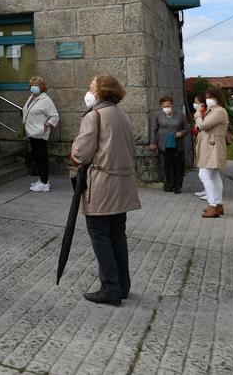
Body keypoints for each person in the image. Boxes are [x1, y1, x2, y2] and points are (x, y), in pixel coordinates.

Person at [70, 75, 141, 305]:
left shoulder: (95, 116)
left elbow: (81, 153)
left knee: (100, 235)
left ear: (101, 91)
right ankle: (122, 285)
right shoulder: (122, 115)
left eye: (91, 87)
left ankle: (110, 287)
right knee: (117, 234)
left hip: (102, 183)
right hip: (122, 182)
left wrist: (73, 155)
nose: (88, 91)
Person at [22, 76, 60, 193]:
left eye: (36, 85)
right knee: (37, 157)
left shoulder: (46, 100)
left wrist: (46, 125)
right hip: (31, 132)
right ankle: (42, 179)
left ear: (42, 87)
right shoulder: (32, 97)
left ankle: (44, 183)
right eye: (32, 85)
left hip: (40, 133)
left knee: (42, 158)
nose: (33, 87)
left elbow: (55, 116)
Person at [195, 87, 228, 217]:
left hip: (212, 147)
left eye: (211, 97)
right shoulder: (213, 111)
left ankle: (212, 205)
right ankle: (218, 205)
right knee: (214, 176)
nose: (208, 100)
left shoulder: (219, 111)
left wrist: (198, 114)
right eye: (207, 97)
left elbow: (202, 125)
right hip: (211, 146)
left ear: (218, 98)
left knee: (203, 174)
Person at [148, 96, 189, 193]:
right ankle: (170, 185)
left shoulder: (181, 115)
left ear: (172, 105)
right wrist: (152, 142)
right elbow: (154, 129)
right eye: (164, 106)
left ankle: (178, 186)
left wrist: (181, 133)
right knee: (168, 165)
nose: (167, 107)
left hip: (178, 145)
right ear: (161, 107)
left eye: (168, 105)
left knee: (179, 165)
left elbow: (187, 129)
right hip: (164, 145)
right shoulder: (158, 115)